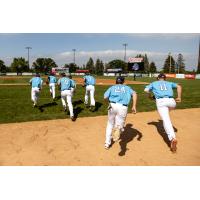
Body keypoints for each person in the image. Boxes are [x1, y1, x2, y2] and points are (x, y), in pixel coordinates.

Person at [144, 73, 182, 153]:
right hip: (172, 102)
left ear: (158, 78)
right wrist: (179, 97)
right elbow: (179, 86)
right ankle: (171, 135)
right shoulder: (169, 83)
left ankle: (172, 138)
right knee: (166, 116)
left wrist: (150, 96)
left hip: (161, 102)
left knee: (166, 120)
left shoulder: (154, 83)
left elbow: (146, 90)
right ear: (165, 78)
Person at [104, 76, 137, 150]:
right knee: (119, 126)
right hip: (122, 107)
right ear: (123, 81)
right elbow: (134, 94)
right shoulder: (127, 88)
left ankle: (107, 143)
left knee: (110, 124)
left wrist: (109, 103)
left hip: (112, 105)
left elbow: (105, 97)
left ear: (116, 81)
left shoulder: (112, 87)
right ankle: (119, 128)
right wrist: (134, 106)